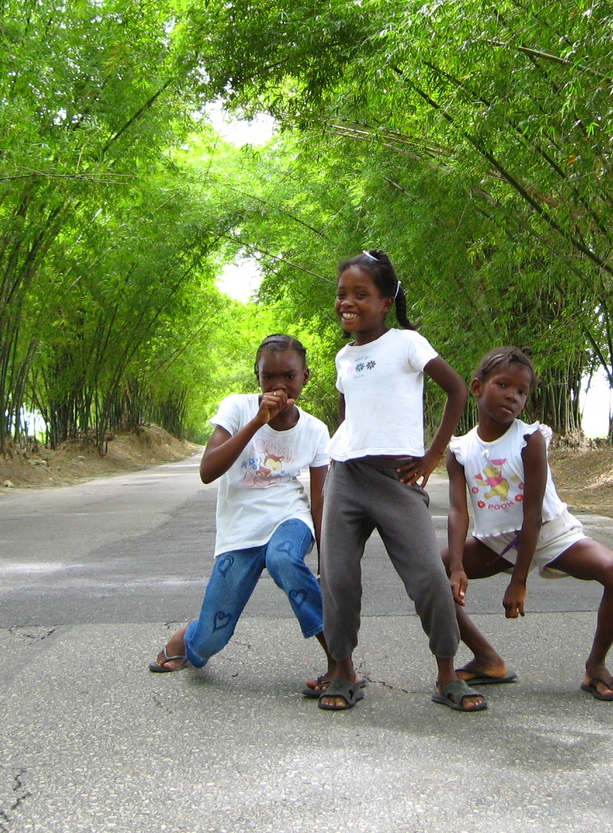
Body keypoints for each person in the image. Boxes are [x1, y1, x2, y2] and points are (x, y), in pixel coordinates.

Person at [315, 249, 484, 712]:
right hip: (346, 476)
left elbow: (458, 389)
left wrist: (431, 457)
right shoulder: (342, 357)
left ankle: (447, 675)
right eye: (341, 294)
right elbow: (351, 415)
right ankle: (343, 670)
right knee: (338, 577)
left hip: (398, 476)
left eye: (360, 294)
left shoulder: (408, 342)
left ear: (386, 301)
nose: (347, 302)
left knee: (429, 576)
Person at [444, 346, 613, 701]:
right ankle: (487, 659)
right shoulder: (459, 449)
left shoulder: (530, 439)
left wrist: (519, 582)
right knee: (428, 571)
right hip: (496, 541)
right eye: (503, 385)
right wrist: (456, 566)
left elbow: (531, 514)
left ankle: (596, 667)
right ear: (476, 387)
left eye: (522, 392)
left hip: (549, 534)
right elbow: (458, 512)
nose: (512, 397)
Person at [150, 334, 333, 689]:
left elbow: (320, 501)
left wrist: (326, 563)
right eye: (269, 377)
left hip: (289, 519)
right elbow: (208, 471)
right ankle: (191, 634)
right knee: (209, 641)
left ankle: (340, 662)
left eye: (290, 377)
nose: (279, 386)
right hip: (240, 531)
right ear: (258, 377)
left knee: (284, 559)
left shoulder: (315, 430)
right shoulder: (237, 408)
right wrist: (257, 422)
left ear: (306, 376)